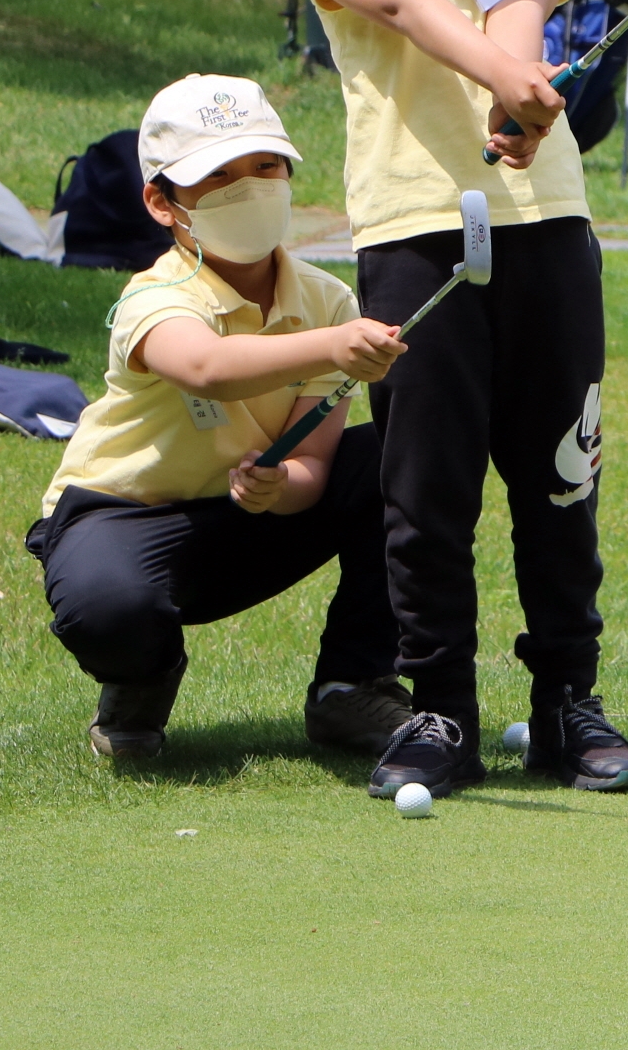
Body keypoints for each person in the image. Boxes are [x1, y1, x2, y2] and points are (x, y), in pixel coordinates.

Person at [293, 0, 628, 802]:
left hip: (546, 226)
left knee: (561, 477)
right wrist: (505, 78)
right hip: (415, 230)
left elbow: (516, 3)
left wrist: (517, 82)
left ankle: (568, 703)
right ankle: (440, 706)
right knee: (426, 489)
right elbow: (405, 9)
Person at [26, 76, 412, 764]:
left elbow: (313, 463)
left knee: (403, 451)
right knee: (109, 609)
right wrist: (332, 346)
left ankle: (352, 686)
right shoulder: (154, 297)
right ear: (162, 202)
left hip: (246, 518)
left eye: (265, 167)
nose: (250, 188)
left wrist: (281, 486)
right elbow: (206, 367)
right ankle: (142, 677)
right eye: (219, 175)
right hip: (121, 519)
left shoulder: (326, 301)